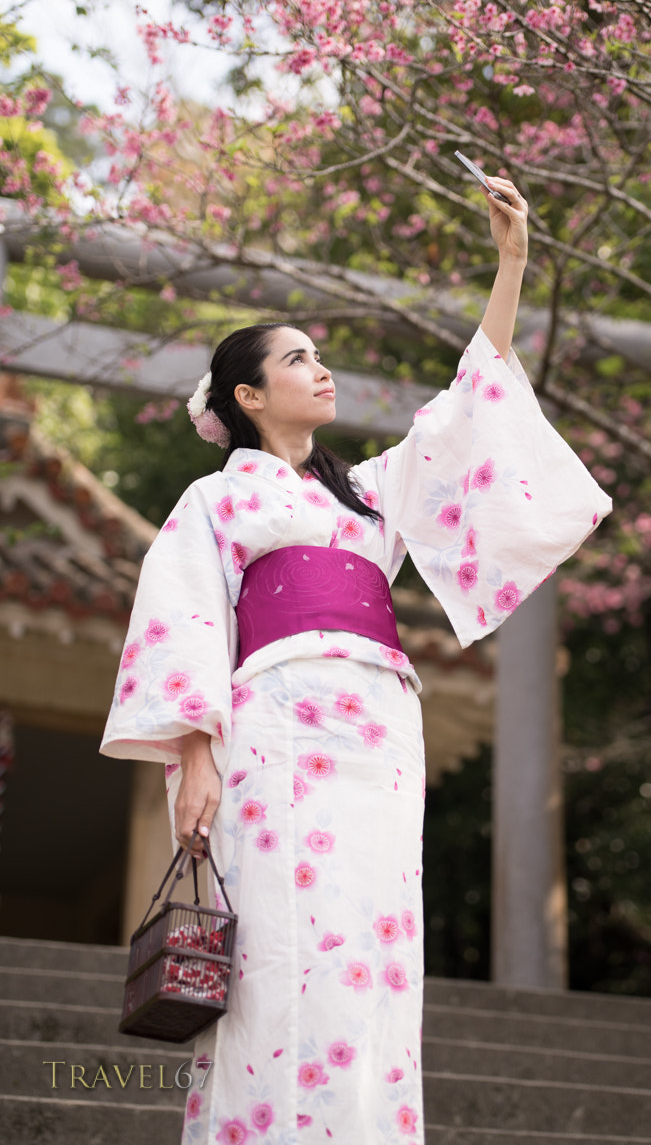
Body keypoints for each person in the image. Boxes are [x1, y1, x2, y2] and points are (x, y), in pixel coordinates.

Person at [101, 173, 612, 1145]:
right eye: (299, 360)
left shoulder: (369, 499)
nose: (321, 369)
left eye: (320, 355)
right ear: (249, 395)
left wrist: (512, 263)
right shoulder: (218, 503)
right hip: (275, 727)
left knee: (372, 954)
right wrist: (196, 753)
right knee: (278, 953)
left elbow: (467, 406)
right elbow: (184, 616)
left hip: (379, 736)